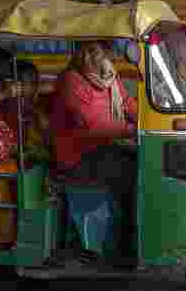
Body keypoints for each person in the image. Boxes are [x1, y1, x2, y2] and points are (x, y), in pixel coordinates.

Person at [50, 40, 138, 262]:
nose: (104, 56)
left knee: (143, 162)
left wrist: (150, 121)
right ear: (83, 53)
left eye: (104, 50)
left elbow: (127, 103)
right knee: (134, 173)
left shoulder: (108, 75)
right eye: (94, 50)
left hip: (103, 146)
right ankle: (123, 244)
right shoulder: (71, 80)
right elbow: (93, 125)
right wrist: (132, 129)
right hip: (77, 155)